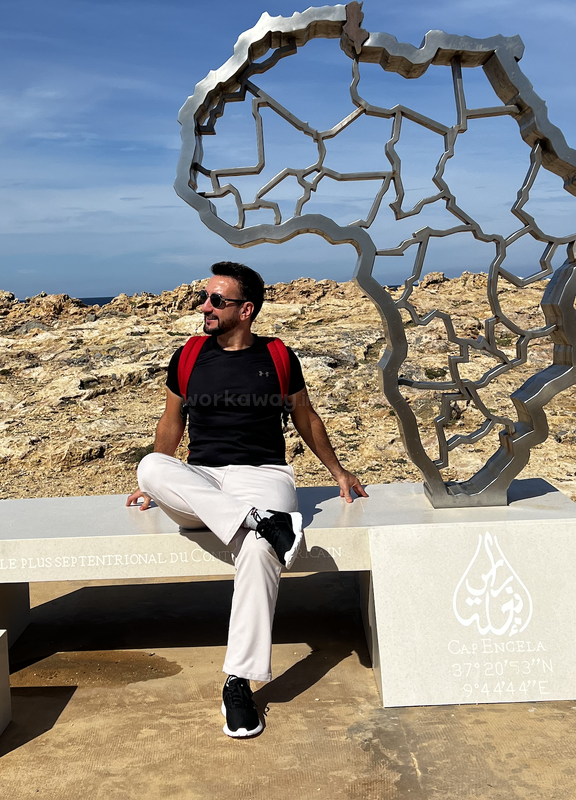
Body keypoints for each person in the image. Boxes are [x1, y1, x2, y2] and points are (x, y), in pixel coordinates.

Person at [126, 261, 367, 738]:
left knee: (259, 551)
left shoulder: (278, 356)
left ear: (246, 309)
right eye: (204, 298)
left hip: (264, 475)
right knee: (150, 467)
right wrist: (160, 481)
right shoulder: (188, 355)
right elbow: (172, 420)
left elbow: (305, 417)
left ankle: (239, 681)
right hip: (202, 480)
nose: (205, 307)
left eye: (216, 300)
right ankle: (262, 521)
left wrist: (338, 471)